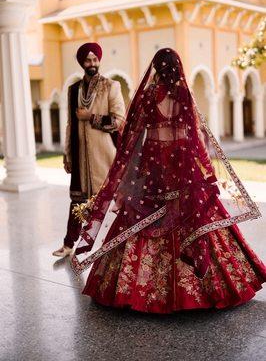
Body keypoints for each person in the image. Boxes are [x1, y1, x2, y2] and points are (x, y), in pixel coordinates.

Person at [71, 48, 266, 314]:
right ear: (177, 67)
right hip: (182, 166)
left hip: (153, 168)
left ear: (156, 69)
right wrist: (206, 171)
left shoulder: (148, 96)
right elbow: (196, 137)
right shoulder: (184, 94)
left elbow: (132, 135)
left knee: (143, 219)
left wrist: (129, 170)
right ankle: (208, 289)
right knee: (195, 217)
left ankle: (132, 290)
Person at [52, 42, 125, 257]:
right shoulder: (73, 90)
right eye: (87, 60)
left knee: (112, 202)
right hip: (80, 156)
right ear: (82, 63)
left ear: (99, 60)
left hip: (105, 155)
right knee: (77, 202)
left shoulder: (111, 86)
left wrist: (91, 117)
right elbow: (69, 124)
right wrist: (68, 155)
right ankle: (68, 245)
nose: (92, 63)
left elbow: (119, 121)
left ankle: (119, 245)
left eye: (95, 59)